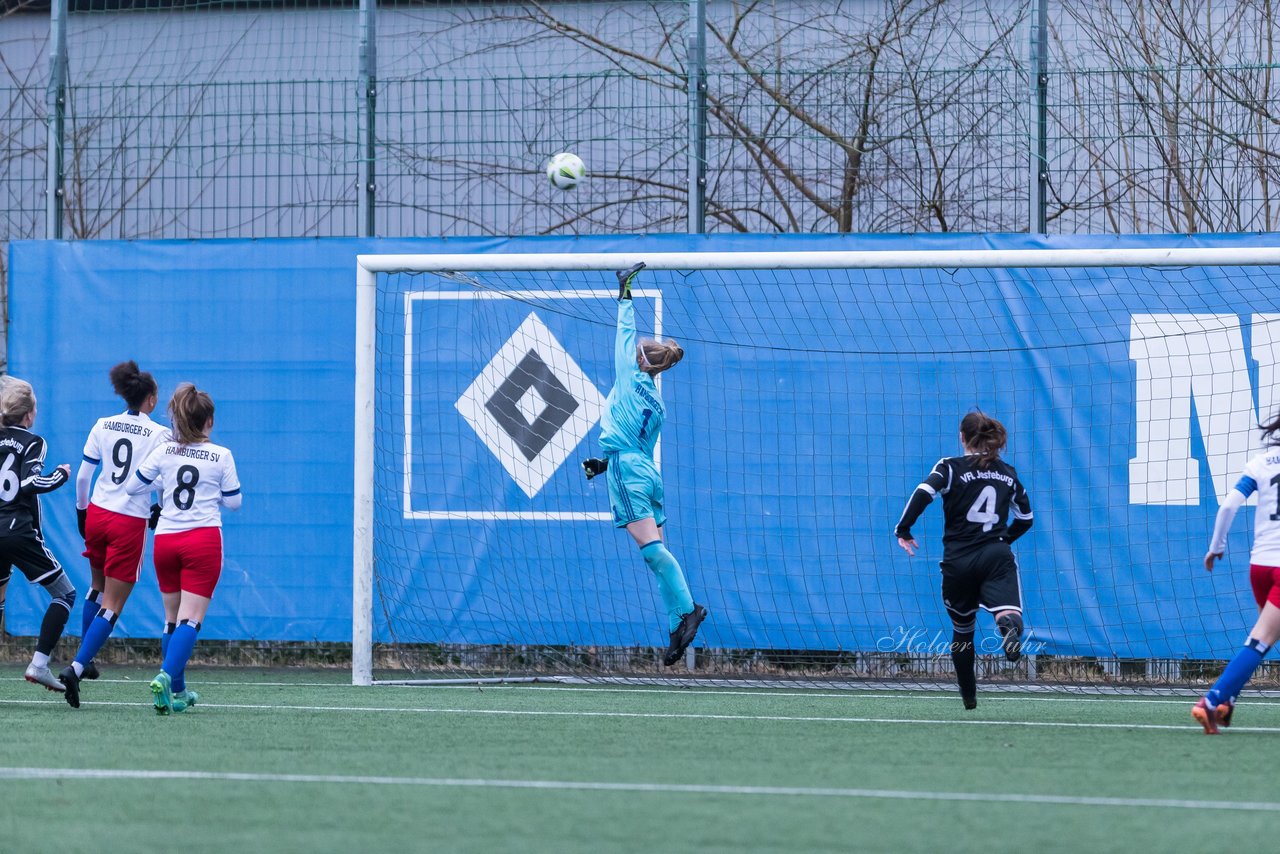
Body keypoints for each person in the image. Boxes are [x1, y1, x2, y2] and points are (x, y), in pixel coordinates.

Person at [581, 263, 707, 667]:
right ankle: (676, 623)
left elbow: (624, 334)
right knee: (657, 555)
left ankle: (688, 610)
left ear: (640, 360)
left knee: (653, 554)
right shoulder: (657, 401)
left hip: (630, 475)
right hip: (646, 472)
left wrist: (625, 293)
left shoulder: (629, 374)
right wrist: (604, 463)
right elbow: (636, 443)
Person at [893, 411, 1034, 709]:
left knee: (963, 629)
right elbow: (1026, 518)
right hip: (996, 554)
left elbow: (924, 491)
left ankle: (969, 698)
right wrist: (1002, 540)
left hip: (958, 561)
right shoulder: (1008, 473)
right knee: (1007, 612)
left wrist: (903, 529)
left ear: (962, 437)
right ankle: (1007, 624)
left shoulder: (950, 468)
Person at [58, 361, 169, 707]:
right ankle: (76, 668)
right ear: (149, 399)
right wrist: (158, 509)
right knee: (113, 604)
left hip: (98, 513)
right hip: (127, 521)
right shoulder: (159, 434)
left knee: (96, 586)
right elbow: (162, 480)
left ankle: (85, 658)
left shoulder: (103, 425)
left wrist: (81, 512)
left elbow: (81, 477)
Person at [126, 383, 240, 714]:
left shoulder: (165, 452)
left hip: (166, 541)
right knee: (191, 620)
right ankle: (164, 676)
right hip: (201, 540)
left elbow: (134, 486)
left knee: (171, 620)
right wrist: (212, 492)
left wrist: (164, 481)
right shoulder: (221, 455)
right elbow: (234, 503)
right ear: (209, 422)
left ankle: (178, 692)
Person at [1192, 411, 1280, 734]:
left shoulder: (1261, 463)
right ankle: (1212, 701)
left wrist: (1216, 546)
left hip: (1260, 567)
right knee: (1259, 642)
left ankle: (1227, 702)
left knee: (1262, 642)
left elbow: (1228, 505)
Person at [0, 378, 76, 692]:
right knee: (65, 594)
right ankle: (39, 664)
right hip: (16, 530)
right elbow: (29, 484)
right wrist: (60, 475)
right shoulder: (33, 441)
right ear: (29, 415)